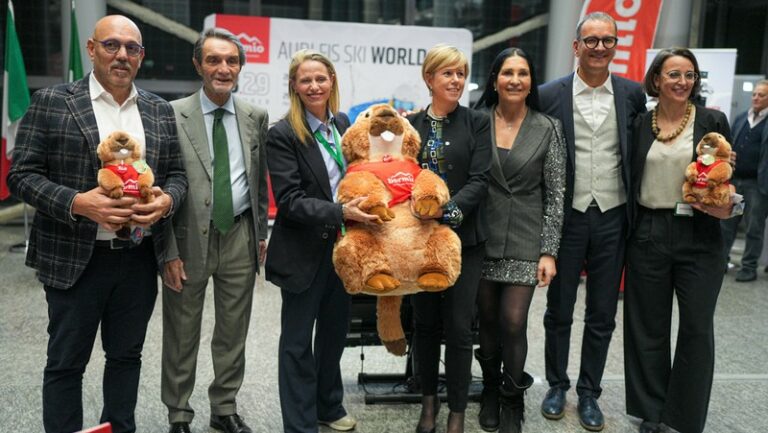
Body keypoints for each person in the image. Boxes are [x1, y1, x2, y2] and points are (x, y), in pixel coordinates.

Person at [6, 15, 187, 433]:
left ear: (141, 57)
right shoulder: (53, 101)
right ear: (91, 49)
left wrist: (164, 201)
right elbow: (21, 175)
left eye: (132, 48)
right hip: (75, 260)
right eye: (112, 45)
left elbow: (178, 176)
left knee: (126, 359)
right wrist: (76, 202)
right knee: (66, 363)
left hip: (138, 258)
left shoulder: (158, 110)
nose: (122, 54)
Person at [537, 12, 646, 432]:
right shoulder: (550, 94)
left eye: (608, 40)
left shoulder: (633, 94)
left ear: (615, 46)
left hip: (614, 217)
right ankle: (556, 385)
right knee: (558, 309)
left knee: (602, 312)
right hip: (567, 217)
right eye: (591, 40)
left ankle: (588, 393)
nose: (600, 47)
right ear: (576, 46)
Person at [160, 28, 269, 433]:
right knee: (181, 329)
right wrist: (167, 250)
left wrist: (261, 233)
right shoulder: (171, 114)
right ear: (198, 65)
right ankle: (179, 412)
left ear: (240, 67)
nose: (223, 69)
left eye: (232, 61)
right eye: (214, 60)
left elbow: (258, 182)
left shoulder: (255, 117)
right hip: (188, 238)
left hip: (240, 235)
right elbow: (161, 181)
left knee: (233, 330)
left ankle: (224, 407)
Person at [266, 49, 378, 433]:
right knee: (297, 344)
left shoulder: (342, 124)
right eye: (305, 80)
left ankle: (328, 407)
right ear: (295, 87)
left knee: (333, 336)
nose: (314, 86)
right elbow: (290, 201)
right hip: (302, 253)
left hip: (343, 251)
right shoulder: (282, 134)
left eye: (321, 78)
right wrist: (341, 212)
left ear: (332, 82)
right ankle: (299, 425)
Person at [624, 48, 734, 433]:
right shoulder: (639, 124)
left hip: (700, 235)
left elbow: (728, 181)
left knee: (697, 327)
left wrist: (730, 209)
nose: (682, 82)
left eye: (689, 75)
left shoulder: (712, 121)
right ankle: (651, 411)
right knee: (647, 327)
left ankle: (683, 418)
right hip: (648, 233)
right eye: (673, 74)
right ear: (656, 80)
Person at [472, 47, 566, 433]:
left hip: (526, 238)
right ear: (494, 80)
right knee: (488, 321)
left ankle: (513, 399)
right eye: (507, 72)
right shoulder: (475, 121)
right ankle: (490, 391)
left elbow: (556, 193)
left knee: (513, 321)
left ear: (531, 82)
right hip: (481, 236)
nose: (515, 79)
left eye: (523, 73)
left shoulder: (548, 127)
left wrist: (549, 250)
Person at [407, 44, 492, 433]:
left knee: (459, 328)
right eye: (447, 73)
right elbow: (400, 179)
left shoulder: (477, 122)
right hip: (419, 240)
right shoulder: (410, 125)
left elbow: (480, 180)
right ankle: (429, 406)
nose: (456, 80)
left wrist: (447, 211)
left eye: (460, 73)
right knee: (423, 325)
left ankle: (457, 412)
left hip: (464, 241)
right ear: (429, 79)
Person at [721, 79, 768, 282]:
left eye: (761, 95)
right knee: (728, 224)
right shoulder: (741, 117)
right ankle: (721, 261)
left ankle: (749, 267)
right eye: (755, 94)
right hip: (735, 182)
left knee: (753, 228)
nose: (756, 98)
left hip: (756, 186)